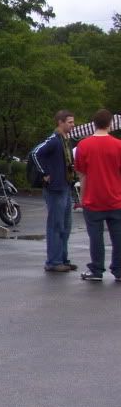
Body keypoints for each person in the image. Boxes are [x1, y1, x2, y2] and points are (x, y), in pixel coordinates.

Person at [74, 109, 121, 282]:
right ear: (110, 124)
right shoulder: (118, 145)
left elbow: (82, 174)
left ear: (93, 124)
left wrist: (83, 198)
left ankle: (96, 270)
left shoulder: (84, 145)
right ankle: (119, 270)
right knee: (118, 238)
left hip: (93, 199)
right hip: (116, 199)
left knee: (96, 237)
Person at [32, 110, 77, 273]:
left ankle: (62, 258)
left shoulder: (66, 141)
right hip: (55, 188)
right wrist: (44, 173)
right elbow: (36, 153)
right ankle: (53, 261)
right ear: (60, 122)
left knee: (65, 225)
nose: (73, 125)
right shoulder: (53, 140)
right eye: (70, 122)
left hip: (65, 185)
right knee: (56, 224)